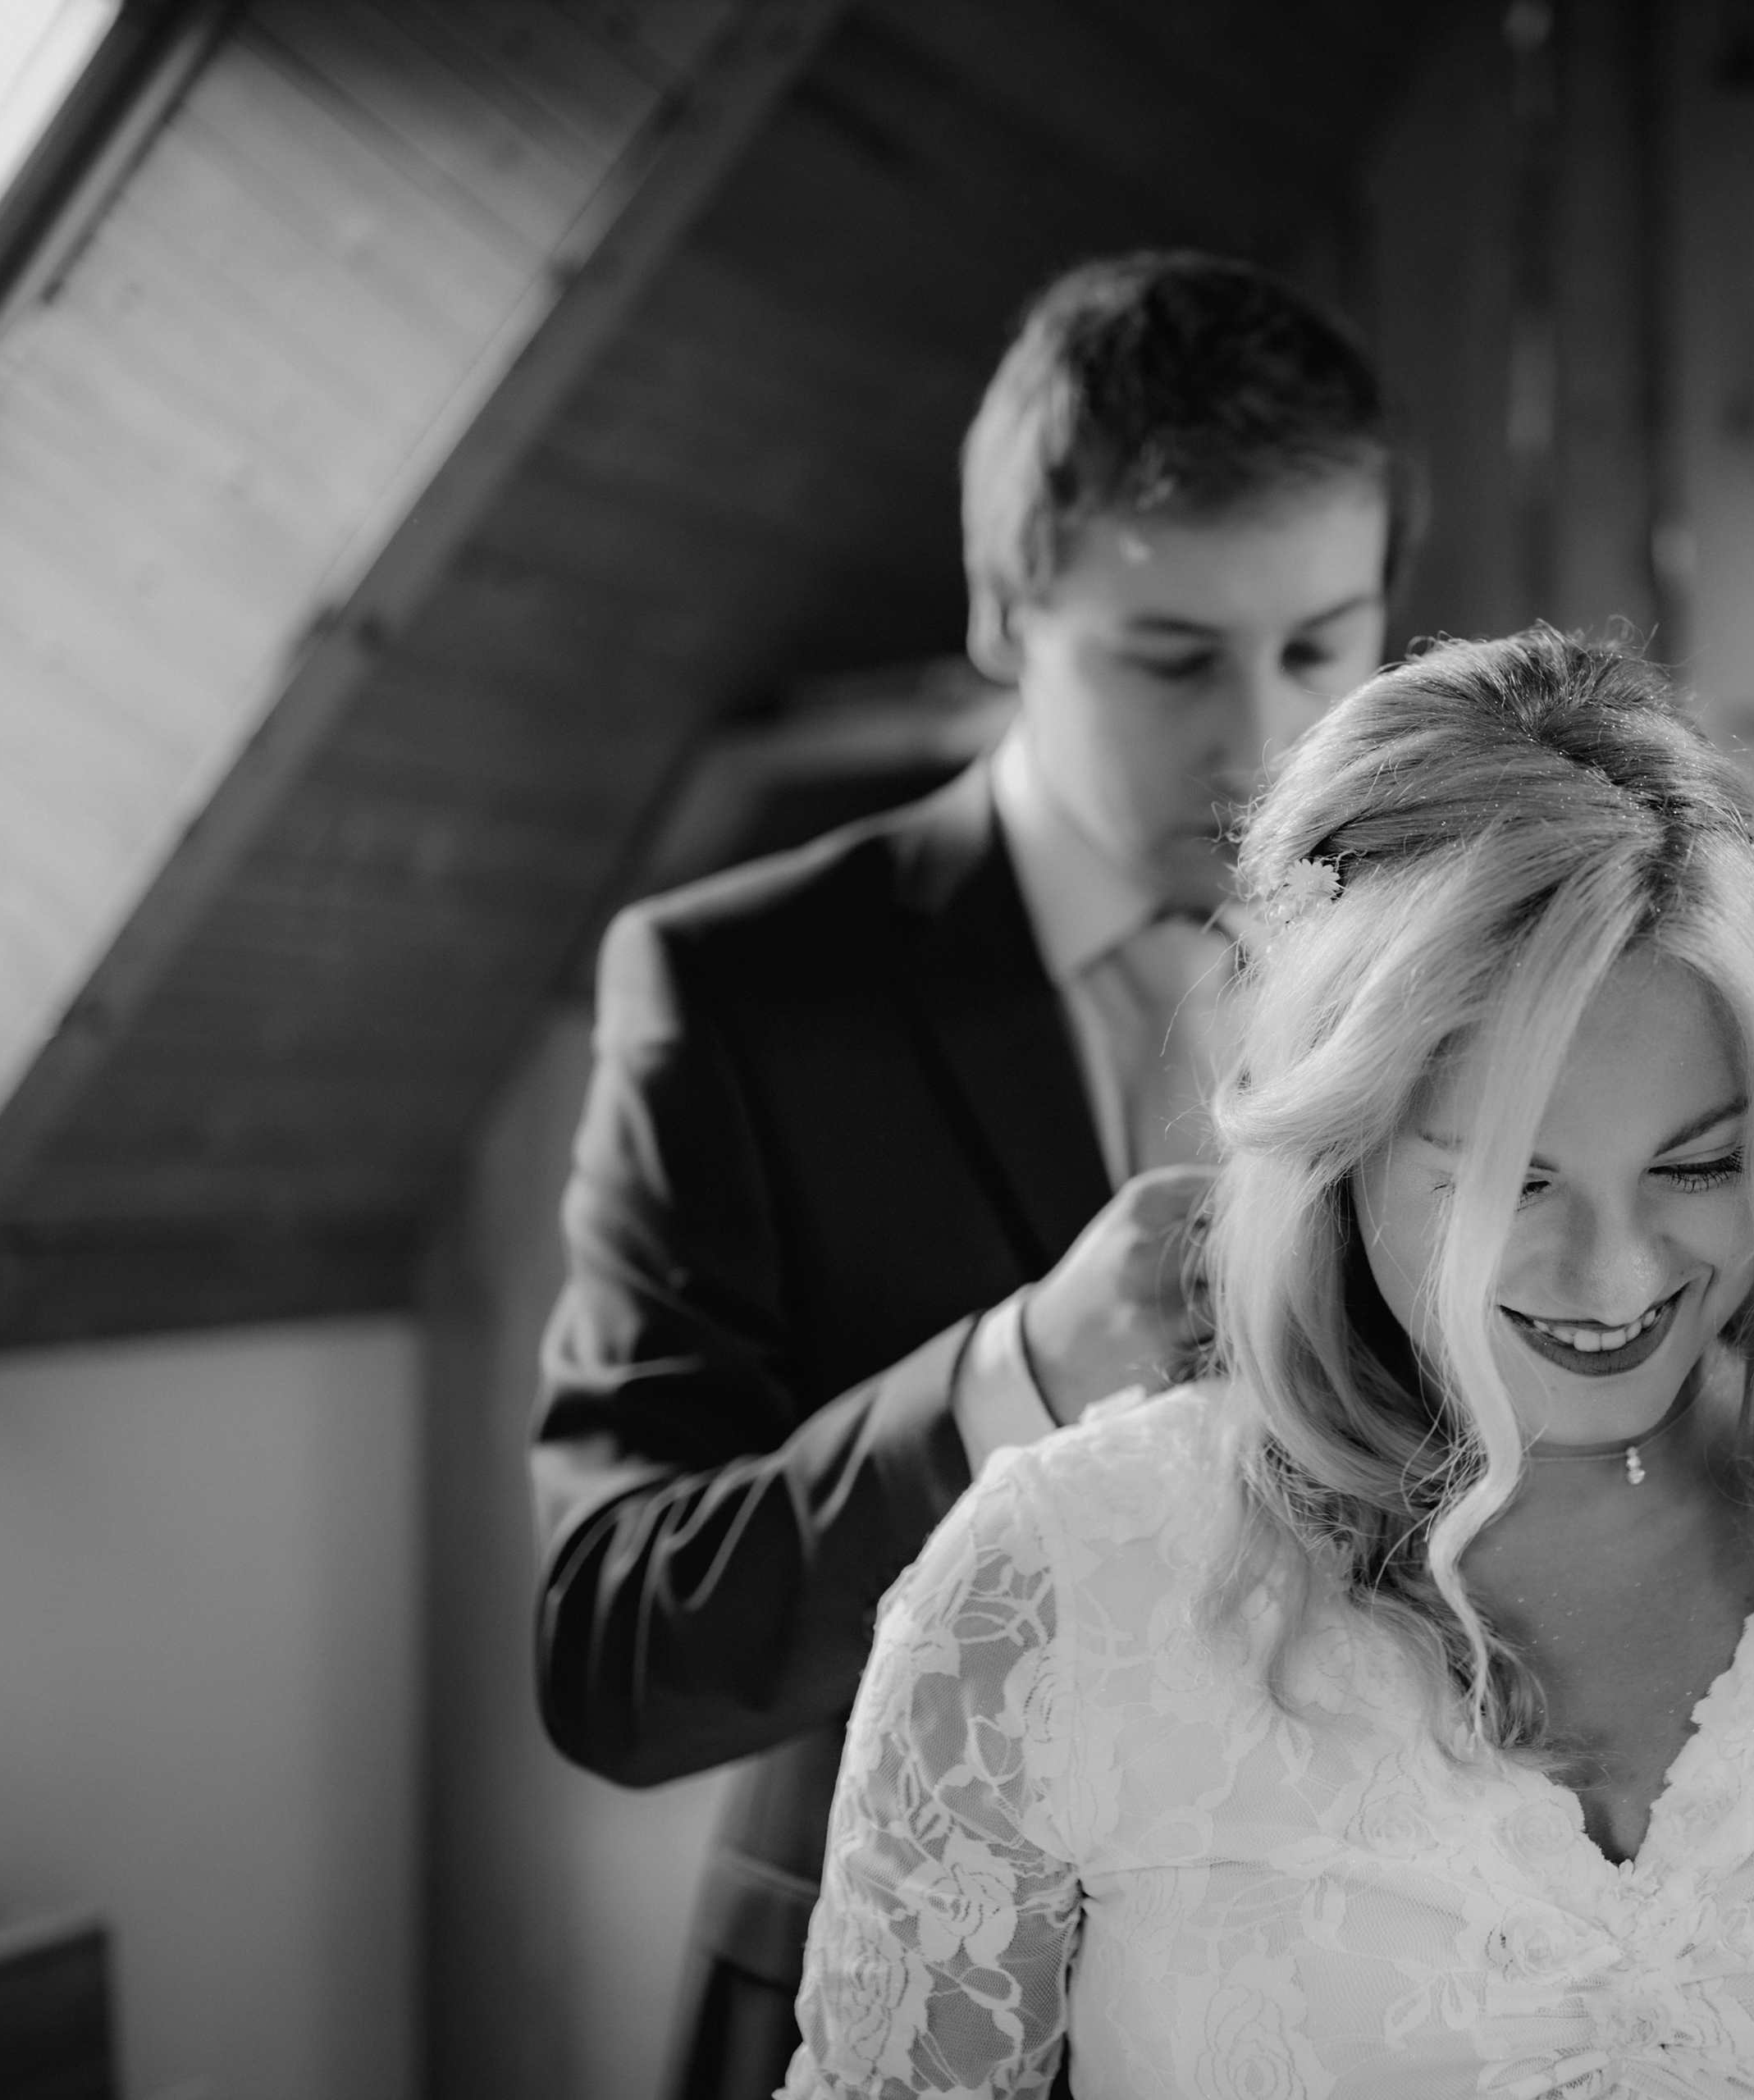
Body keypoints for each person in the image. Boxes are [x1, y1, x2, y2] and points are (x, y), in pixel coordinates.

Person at [782, 631, 1754, 2100]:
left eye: (1700, 1167)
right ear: (1340, 1153)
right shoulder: (1055, 1582)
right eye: (1515, 1181)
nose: (1621, 1279)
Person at [529, 253, 1401, 2100]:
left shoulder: (1442, 959)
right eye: (1173, 658)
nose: (1267, 742)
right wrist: (1023, 1371)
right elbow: (613, 1647)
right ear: (1009, 612)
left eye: (1324, 646)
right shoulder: (735, 994)